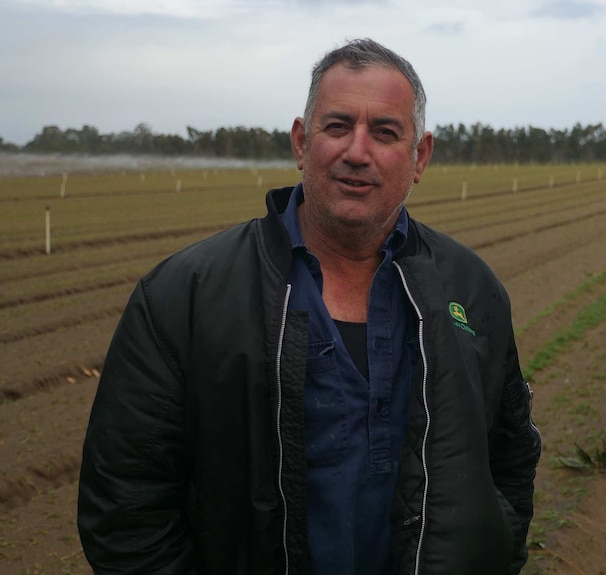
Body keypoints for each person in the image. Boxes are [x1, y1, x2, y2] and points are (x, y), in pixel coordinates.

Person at [77, 38, 542, 575]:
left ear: (420, 157)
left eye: (385, 132)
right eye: (337, 126)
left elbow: (509, 459)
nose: (356, 151)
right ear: (302, 142)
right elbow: (126, 503)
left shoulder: (472, 289)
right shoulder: (185, 294)